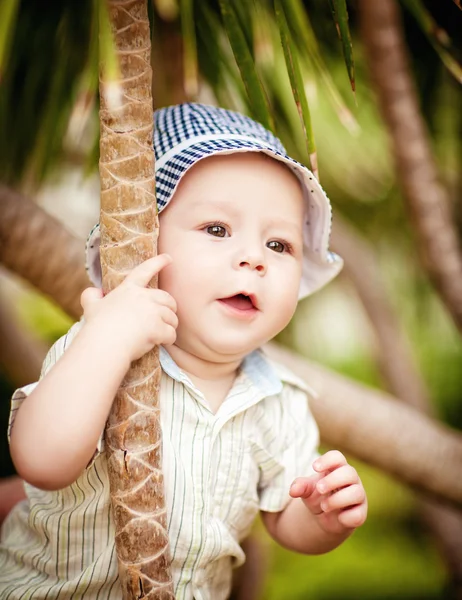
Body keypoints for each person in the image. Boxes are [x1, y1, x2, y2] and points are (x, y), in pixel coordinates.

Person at [0, 103, 367, 599]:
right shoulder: (100, 350)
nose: (253, 258)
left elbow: (285, 518)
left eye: (279, 245)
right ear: (142, 246)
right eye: (217, 230)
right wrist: (108, 339)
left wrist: (324, 517)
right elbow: (41, 459)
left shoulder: (279, 402)